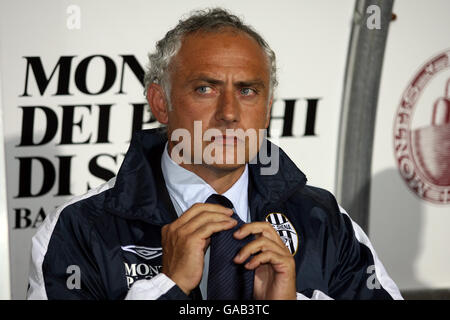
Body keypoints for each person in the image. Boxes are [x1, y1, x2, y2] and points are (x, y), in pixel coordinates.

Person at [27, 7, 402, 300]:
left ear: (268, 108)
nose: (229, 113)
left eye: (247, 91)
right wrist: (166, 287)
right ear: (161, 103)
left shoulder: (323, 219)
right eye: (205, 89)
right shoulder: (79, 227)